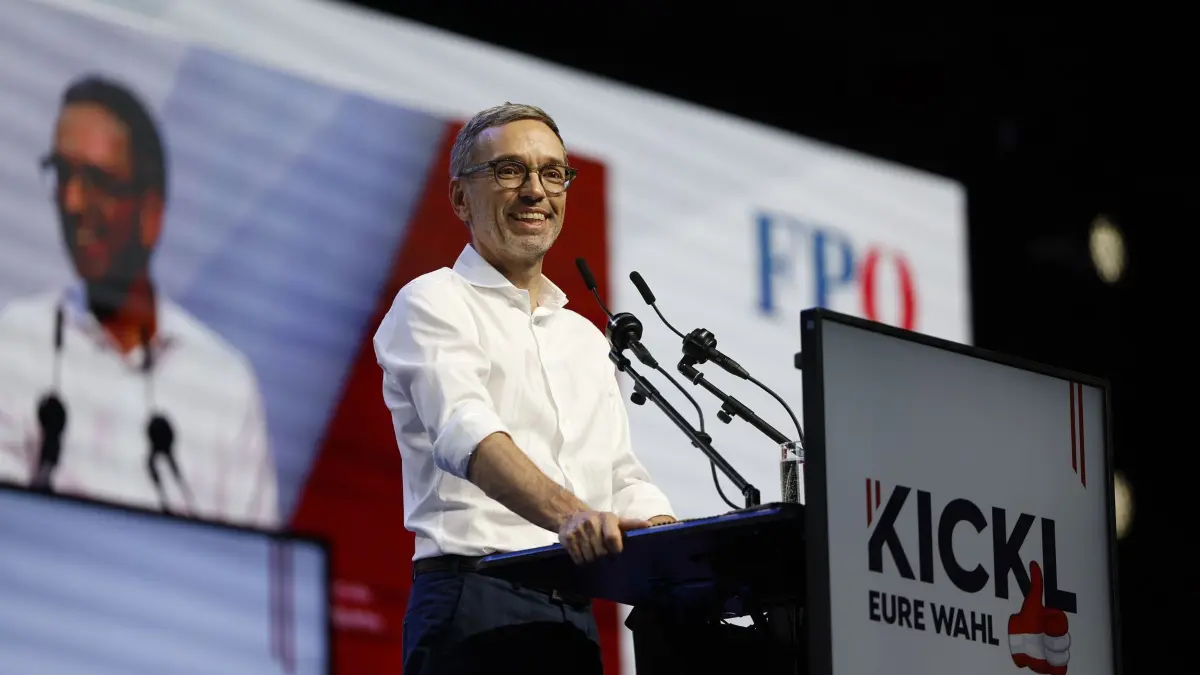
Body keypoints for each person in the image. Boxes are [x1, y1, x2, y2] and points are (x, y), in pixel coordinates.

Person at [373, 103, 678, 674]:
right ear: (461, 199)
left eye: (552, 173)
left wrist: (670, 544)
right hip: (476, 603)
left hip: (575, 619)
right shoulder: (434, 300)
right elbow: (470, 434)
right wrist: (570, 516)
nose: (535, 190)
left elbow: (621, 477)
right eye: (509, 171)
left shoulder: (585, 338)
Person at [0, 75, 278, 530]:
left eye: (95, 181)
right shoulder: (16, 342)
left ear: (150, 211)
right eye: (62, 174)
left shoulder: (225, 384)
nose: (71, 202)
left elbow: (249, 572)